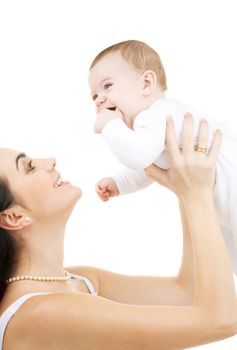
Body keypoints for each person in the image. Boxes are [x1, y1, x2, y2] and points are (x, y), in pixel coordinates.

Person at [0, 116, 236, 349]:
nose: (49, 160)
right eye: (29, 167)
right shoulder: (40, 314)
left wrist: (186, 186)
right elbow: (220, 320)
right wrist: (197, 194)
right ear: (14, 217)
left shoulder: (78, 280)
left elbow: (186, 294)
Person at [89, 39, 237, 275]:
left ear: (146, 83)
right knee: (223, 260)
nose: (99, 100)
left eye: (107, 86)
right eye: (94, 95)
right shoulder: (154, 128)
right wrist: (120, 183)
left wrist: (110, 126)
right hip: (223, 206)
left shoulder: (157, 113)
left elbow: (138, 156)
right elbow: (148, 166)